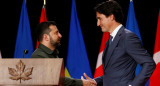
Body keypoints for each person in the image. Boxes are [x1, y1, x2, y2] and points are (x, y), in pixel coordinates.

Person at [83, 0, 156, 86]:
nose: (98, 24)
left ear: (111, 17)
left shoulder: (128, 37)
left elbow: (149, 63)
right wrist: (95, 81)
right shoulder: (109, 41)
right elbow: (111, 74)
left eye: (100, 19)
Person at [31, 21, 96, 86]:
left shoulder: (53, 54)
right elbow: (56, 79)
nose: (60, 35)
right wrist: (82, 83)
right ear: (46, 37)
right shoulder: (37, 56)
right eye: (56, 33)